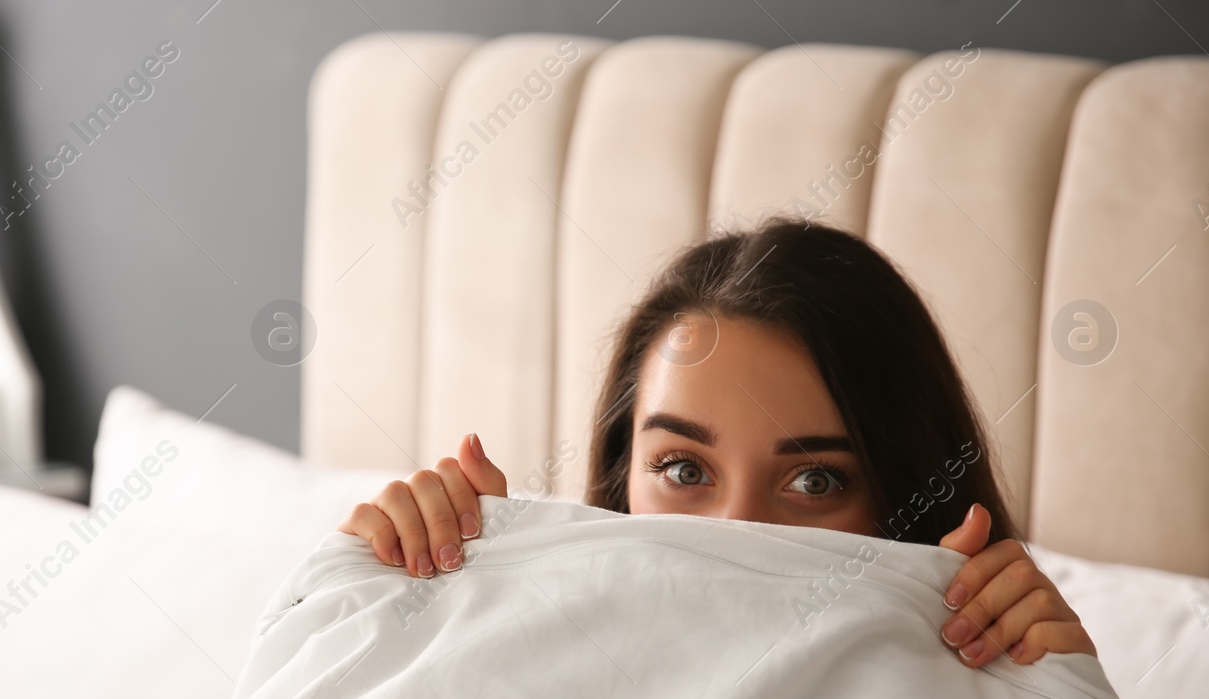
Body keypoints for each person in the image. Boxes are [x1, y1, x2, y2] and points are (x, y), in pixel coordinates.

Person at [337, 219, 1095, 670]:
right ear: (619, 483)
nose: (736, 532)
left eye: (816, 482)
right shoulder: (508, 643)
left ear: (909, 505)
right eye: (684, 468)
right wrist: (423, 600)